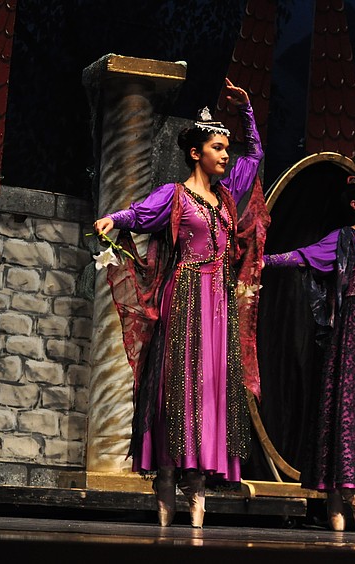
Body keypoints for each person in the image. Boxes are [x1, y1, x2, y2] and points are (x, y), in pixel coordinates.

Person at [92, 78, 267, 528]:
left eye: (226, 148)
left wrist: (246, 112)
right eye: (217, 147)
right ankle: (168, 480)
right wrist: (114, 218)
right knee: (180, 384)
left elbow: (255, 156)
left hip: (218, 305)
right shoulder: (175, 196)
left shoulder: (227, 197)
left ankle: (198, 487)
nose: (225, 155)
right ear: (196, 153)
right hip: (187, 296)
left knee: (211, 387)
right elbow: (139, 213)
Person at [261, 176, 355, 532]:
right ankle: (346, 491)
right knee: (346, 409)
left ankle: (346, 492)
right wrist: (261, 262)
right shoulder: (345, 239)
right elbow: (302, 256)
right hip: (353, 333)